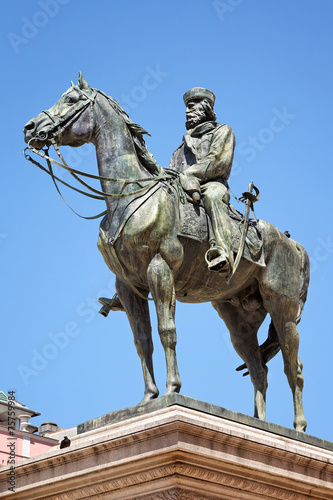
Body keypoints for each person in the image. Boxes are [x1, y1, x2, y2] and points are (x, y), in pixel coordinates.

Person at [169, 87, 236, 273]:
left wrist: (190, 174)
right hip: (183, 188)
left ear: (204, 108)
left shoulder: (222, 131)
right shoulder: (180, 149)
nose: (186, 112)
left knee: (213, 196)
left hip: (211, 184)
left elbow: (219, 161)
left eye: (191, 107)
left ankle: (222, 251)